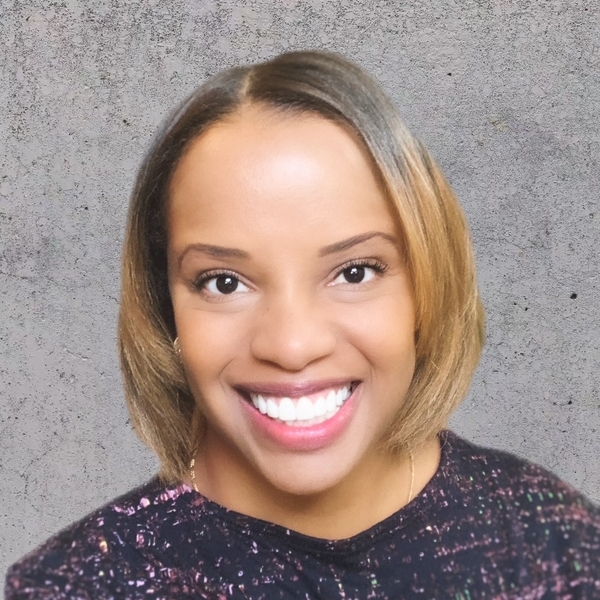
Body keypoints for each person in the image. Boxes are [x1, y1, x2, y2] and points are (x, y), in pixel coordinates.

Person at [5, 50, 599, 599]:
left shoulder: (557, 550)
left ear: (427, 287)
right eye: (224, 282)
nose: (292, 346)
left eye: (355, 272)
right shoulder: (71, 587)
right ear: (166, 310)